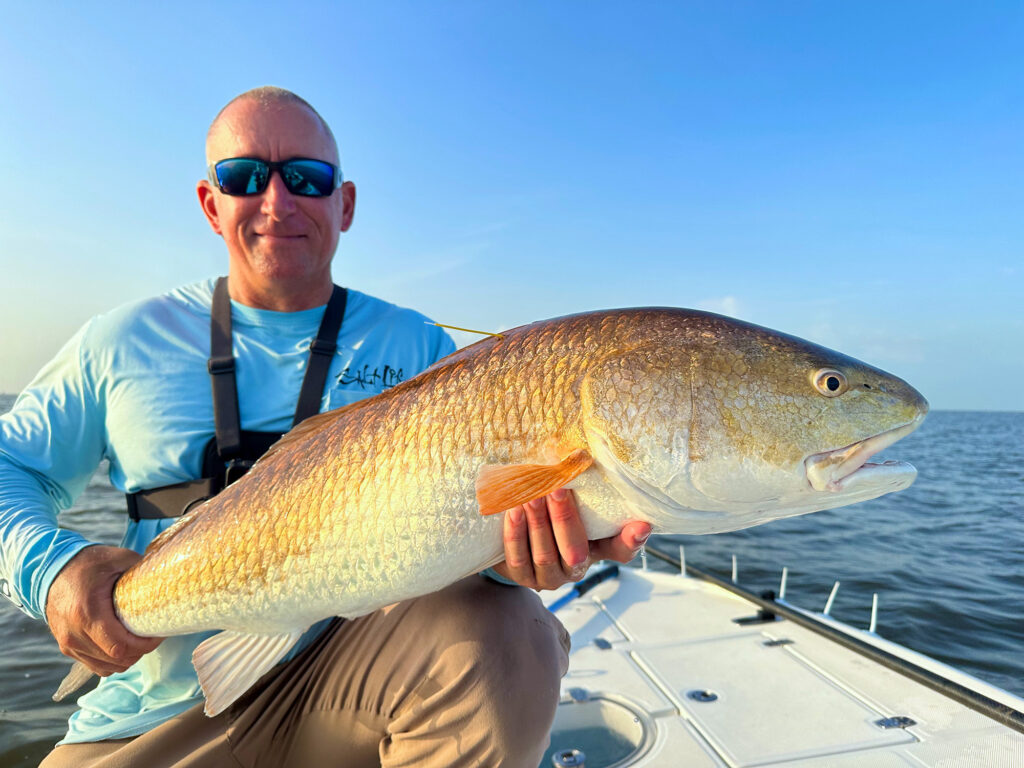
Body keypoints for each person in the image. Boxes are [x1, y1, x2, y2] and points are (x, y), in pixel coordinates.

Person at [0, 86, 652, 767]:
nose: (277, 202)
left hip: (359, 684)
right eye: (244, 177)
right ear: (209, 203)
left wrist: (521, 560)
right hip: (155, 710)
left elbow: (469, 529)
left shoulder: (423, 350)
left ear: (344, 204)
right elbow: (8, 464)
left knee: (514, 634)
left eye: (307, 179)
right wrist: (52, 571)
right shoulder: (123, 341)